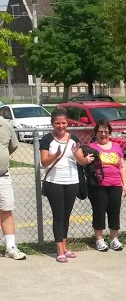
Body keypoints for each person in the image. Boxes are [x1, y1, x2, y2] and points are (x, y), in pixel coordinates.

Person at [75, 121, 126, 251]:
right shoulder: (91, 147)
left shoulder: (116, 147)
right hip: (98, 185)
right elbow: (81, 161)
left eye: (106, 131)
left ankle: (114, 238)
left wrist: (124, 184)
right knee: (99, 211)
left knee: (114, 211)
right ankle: (99, 239)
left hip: (115, 184)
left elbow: (121, 167)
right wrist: (85, 159)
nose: (103, 134)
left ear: (110, 133)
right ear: (96, 133)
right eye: (100, 131)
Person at [40, 108, 82, 263]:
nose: (61, 126)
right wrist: (55, 155)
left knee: (66, 215)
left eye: (64, 123)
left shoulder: (74, 138)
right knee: (58, 215)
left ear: (67, 123)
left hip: (72, 182)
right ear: (52, 124)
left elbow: (82, 161)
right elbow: (44, 163)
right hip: (54, 182)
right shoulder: (47, 139)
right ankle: (59, 250)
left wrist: (78, 154)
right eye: (57, 123)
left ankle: (64, 247)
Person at [0, 115, 26, 260]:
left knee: (6, 210)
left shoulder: (5, 124)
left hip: (2, 176)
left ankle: (10, 248)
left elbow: (13, 145)